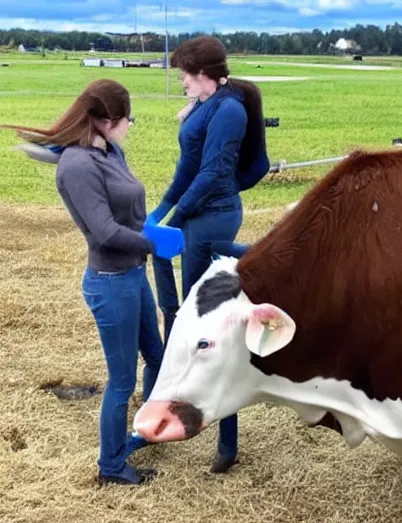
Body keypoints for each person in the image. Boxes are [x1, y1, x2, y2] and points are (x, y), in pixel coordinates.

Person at [1, 79, 182, 486]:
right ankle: (111, 465)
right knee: (121, 381)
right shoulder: (78, 166)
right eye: (126, 119)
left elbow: (128, 205)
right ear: (103, 121)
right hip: (110, 283)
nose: (130, 125)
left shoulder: (109, 149)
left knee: (156, 355)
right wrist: (153, 242)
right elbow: (103, 231)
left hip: (134, 274)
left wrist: (147, 227)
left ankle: (148, 428)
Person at [147, 35, 270, 474]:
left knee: (203, 325)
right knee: (181, 310)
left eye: (183, 74)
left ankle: (227, 441)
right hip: (197, 214)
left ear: (202, 74)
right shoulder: (205, 104)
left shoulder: (230, 111)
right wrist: (161, 211)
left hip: (214, 217)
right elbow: (187, 167)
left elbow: (215, 171)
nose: (180, 81)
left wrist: (176, 219)